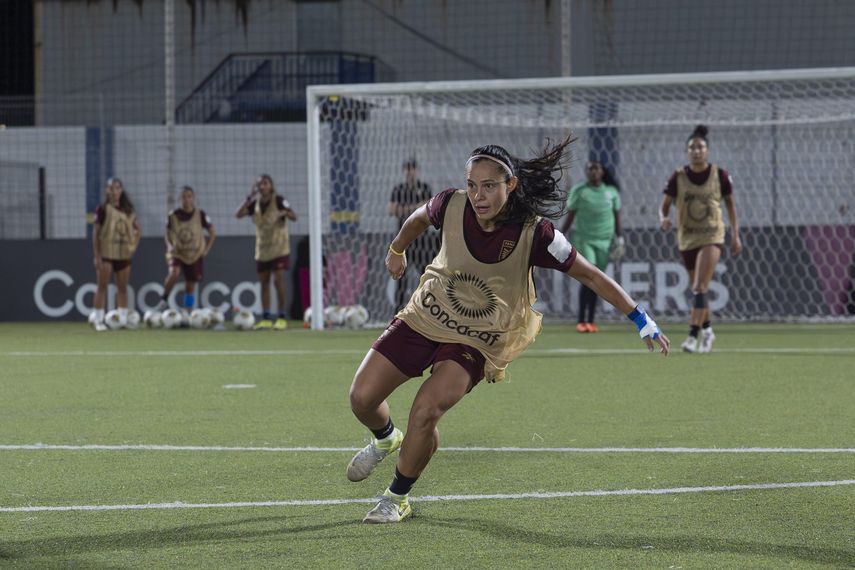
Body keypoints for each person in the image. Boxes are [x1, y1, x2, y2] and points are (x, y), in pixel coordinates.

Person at [346, 137, 670, 524]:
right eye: (472, 185)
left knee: (426, 409)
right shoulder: (449, 204)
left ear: (510, 185)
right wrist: (396, 250)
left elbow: (590, 274)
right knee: (361, 398)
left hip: (478, 337)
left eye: (489, 186)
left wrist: (640, 318)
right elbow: (415, 220)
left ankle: (396, 497)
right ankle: (385, 437)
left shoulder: (539, 234)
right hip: (425, 316)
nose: (478, 195)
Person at [659, 124, 742, 353]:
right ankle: (708, 331)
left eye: (700, 147)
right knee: (700, 291)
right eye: (692, 147)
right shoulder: (678, 176)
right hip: (687, 238)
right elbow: (664, 207)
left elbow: (731, 206)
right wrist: (663, 219)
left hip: (712, 234)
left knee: (699, 285)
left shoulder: (720, 175)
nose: (696, 151)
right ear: (687, 152)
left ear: (707, 150)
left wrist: (735, 235)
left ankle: (691, 335)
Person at [559, 160, 624, 333]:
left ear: (602, 172)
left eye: (596, 168)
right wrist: (560, 234)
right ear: (586, 172)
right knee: (590, 276)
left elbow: (617, 216)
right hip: (584, 240)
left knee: (597, 280)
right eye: (589, 169)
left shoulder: (611, 192)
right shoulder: (580, 191)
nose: (593, 172)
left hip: (605, 241)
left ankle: (591, 321)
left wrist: (620, 238)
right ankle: (581, 320)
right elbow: (571, 215)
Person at [235, 174, 297, 330]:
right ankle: (267, 317)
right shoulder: (254, 204)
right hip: (262, 249)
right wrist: (249, 196)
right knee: (264, 283)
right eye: (259, 184)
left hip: (279, 247)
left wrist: (283, 213)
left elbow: (293, 216)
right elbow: (238, 214)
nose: (262, 186)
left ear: (271, 185)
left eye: (265, 183)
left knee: (278, 281)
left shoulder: (279, 200)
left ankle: (282, 317)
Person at [156, 186, 216, 315]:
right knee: (174, 273)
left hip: (194, 254)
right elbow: (167, 233)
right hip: (177, 253)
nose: (186, 199)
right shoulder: (173, 215)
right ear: (179, 199)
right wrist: (169, 245)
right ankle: (164, 299)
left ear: (193, 199)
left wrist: (207, 249)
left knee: (190, 285)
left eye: (189, 196)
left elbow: (212, 233)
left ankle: (187, 314)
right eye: (183, 196)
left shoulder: (200, 214)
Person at [90, 177, 141, 331]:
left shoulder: (129, 210)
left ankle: (122, 319)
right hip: (107, 253)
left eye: (118, 188)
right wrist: (97, 255)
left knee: (123, 288)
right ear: (107, 190)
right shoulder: (103, 209)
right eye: (111, 188)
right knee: (102, 286)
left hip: (124, 254)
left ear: (121, 190)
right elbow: (96, 232)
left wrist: (133, 247)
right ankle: (99, 320)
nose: (115, 191)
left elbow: (138, 229)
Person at [388, 158, 435, 311]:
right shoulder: (398, 189)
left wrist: (405, 209)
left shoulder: (425, 187)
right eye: (407, 168)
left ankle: (429, 310)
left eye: (412, 168)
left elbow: (428, 209)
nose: (410, 172)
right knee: (401, 279)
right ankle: (397, 313)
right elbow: (392, 210)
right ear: (404, 171)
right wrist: (416, 209)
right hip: (404, 240)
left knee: (426, 275)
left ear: (417, 170)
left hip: (422, 240)